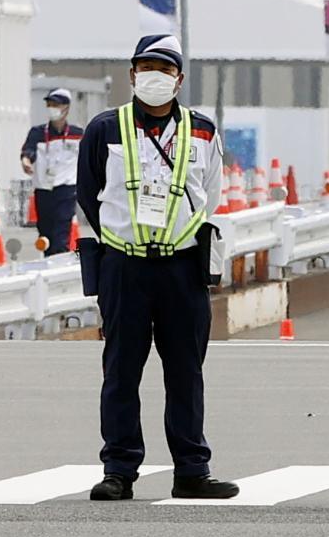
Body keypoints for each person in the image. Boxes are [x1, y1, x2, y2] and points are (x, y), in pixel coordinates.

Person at [74, 32, 237, 502]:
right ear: (131, 75)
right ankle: (119, 470)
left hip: (182, 267)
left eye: (165, 69)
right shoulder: (105, 128)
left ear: (180, 78)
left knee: (185, 370)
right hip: (124, 266)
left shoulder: (203, 130)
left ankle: (191, 469)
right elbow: (89, 197)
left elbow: (211, 194)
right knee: (121, 371)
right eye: (147, 68)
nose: (155, 77)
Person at [19, 85, 86, 250]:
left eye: (56, 105)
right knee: (45, 232)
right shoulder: (38, 132)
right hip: (43, 189)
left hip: (67, 190)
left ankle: (59, 258)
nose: (52, 109)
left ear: (66, 108)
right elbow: (28, 151)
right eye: (49, 105)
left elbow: (88, 157)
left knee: (61, 231)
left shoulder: (78, 134)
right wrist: (26, 162)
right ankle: (49, 261)